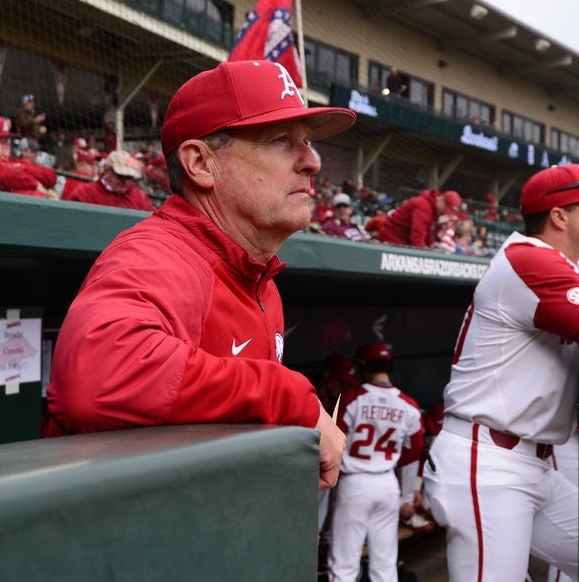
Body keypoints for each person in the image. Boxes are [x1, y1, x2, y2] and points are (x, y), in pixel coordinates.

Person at [46, 60, 355, 491]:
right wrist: (288, 397)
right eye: (282, 140)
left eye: (307, 142)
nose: (313, 162)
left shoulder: (261, 282)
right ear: (200, 164)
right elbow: (99, 377)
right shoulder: (159, 253)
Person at [422, 163, 579, 581]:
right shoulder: (528, 261)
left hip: (534, 464)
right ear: (560, 216)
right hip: (488, 462)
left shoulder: (575, 267)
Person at [328, 341, 424, 582]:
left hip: (355, 483)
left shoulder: (352, 398)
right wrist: (387, 460)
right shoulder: (409, 405)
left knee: (344, 565)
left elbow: (332, 439)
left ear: (363, 367)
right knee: (384, 566)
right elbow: (415, 451)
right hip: (387, 482)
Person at [63, 149, 155, 210]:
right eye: (121, 176)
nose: (126, 182)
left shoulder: (140, 197)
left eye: (130, 178)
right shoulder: (85, 193)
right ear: (107, 171)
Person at [378, 189, 461, 248]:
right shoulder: (423, 206)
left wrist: (431, 244)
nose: (444, 213)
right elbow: (417, 235)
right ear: (441, 200)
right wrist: (422, 253)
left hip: (403, 241)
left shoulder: (433, 209)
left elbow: (428, 230)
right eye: (445, 209)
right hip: (391, 240)